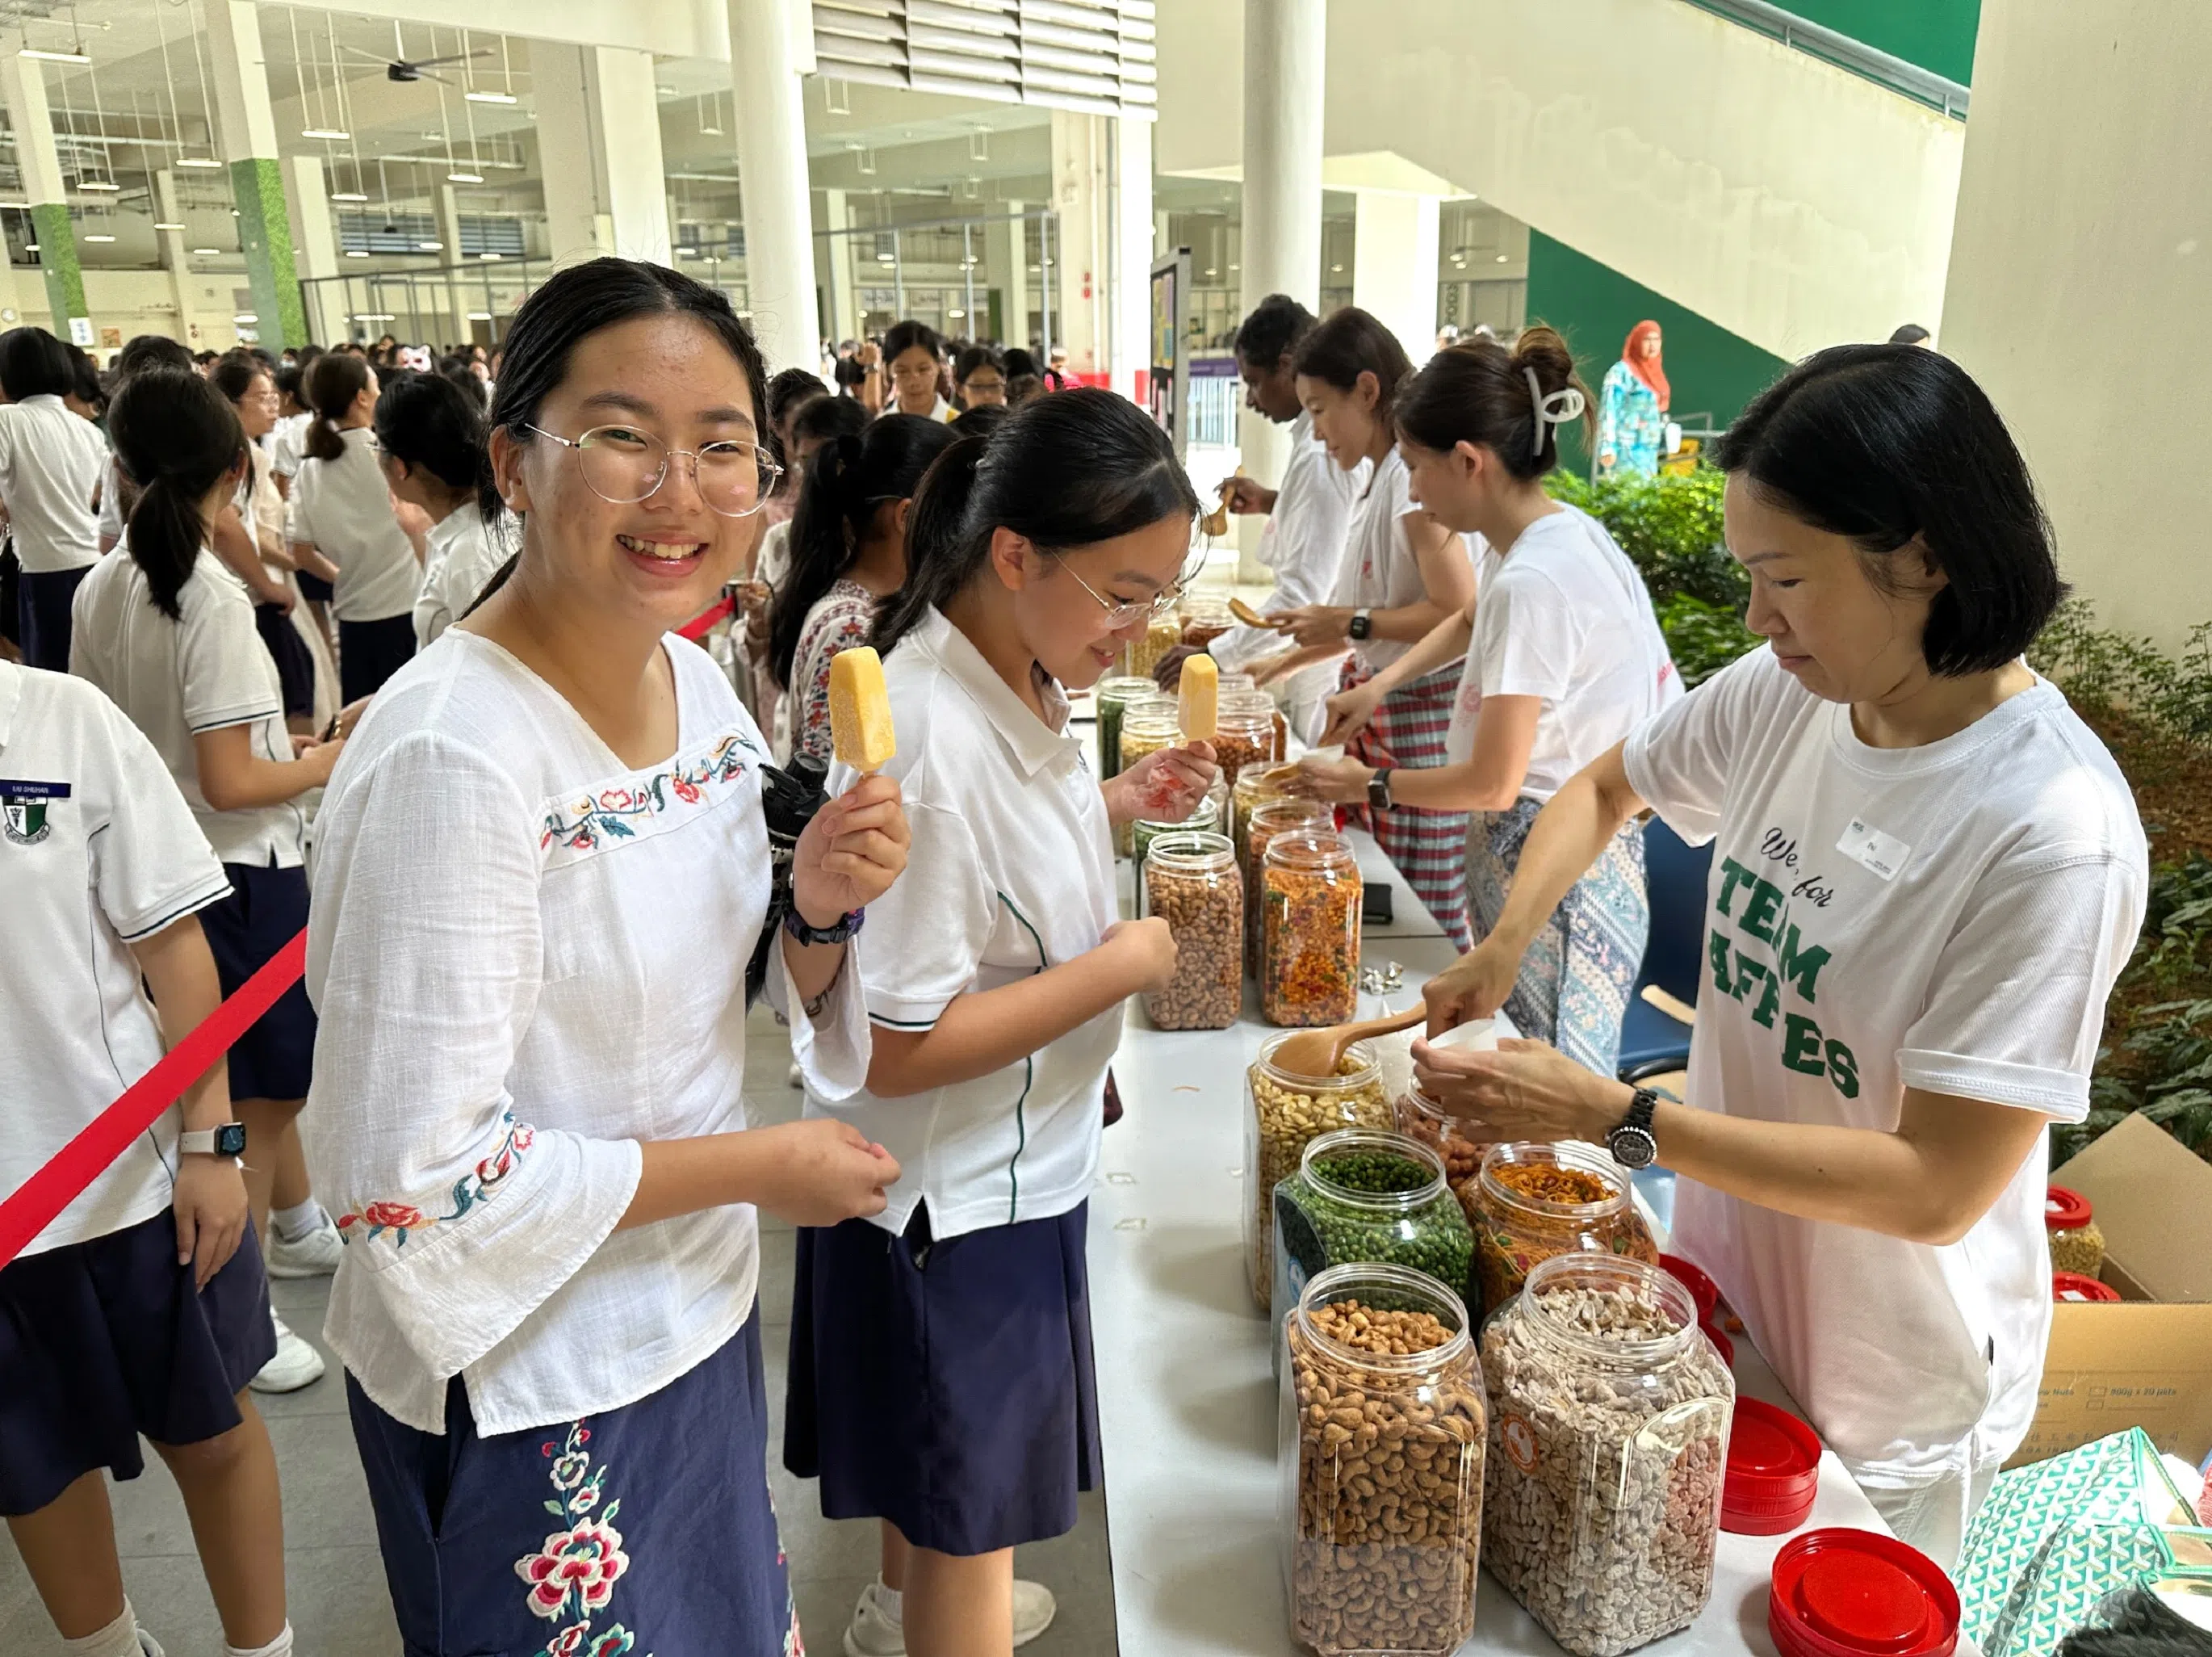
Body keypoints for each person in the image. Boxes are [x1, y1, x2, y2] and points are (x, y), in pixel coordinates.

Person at [1412, 343, 2148, 1569]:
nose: (1758, 618)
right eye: (1750, 577)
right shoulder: (1789, 692)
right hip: (1718, 1292)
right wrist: (1503, 944)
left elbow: (1933, 1186)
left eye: (1786, 579)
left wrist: (1621, 1118)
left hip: (1883, 1382)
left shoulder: (2051, 830)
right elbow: (1606, 786)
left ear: (1921, 556)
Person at [300, 258, 910, 1654]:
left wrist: (811, 905)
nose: (680, 493)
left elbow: (739, 969)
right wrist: (763, 1169)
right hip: (527, 1373)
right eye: (623, 438)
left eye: (723, 449)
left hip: (687, 1320)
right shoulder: (458, 755)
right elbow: (407, 1182)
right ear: (514, 461)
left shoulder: (695, 681)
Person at [787, 388, 1215, 1657]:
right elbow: (902, 1043)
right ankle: (931, 1610)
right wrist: (1123, 962)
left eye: (1159, 597)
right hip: (955, 1205)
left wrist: (1116, 801)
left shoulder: (1014, 666)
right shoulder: (928, 736)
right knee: (974, 1533)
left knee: (941, 1490)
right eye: (1123, 593)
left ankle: (897, 1601)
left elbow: (996, 898)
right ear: (1015, 552)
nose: (1138, 634)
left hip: (994, 1174)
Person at [0, 660, 296, 1657]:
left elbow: (173, 948)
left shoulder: (59, 721)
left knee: (211, 1435)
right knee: (31, 1461)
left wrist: (213, 1141)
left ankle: (264, 1650)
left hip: (129, 1183)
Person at [71, 367, 350, 1398]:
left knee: (245, 1088)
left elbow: (130, 750)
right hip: (244, 879)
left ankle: (297, 1224)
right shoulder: (212, 597)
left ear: (121, 469)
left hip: (153, 880)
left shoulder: (104, 585)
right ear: (236, 467)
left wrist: (301, 743)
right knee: (257, 1108)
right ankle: (253, 1310)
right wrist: (325, 760)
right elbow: (234, 781)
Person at [1301, 329, 1682, 1075]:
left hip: (1555, 878)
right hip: (1550, 860)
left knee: (1553, 1096)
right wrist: (1379, 685)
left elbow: (1493, 782)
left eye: (1415, 467)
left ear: (1468, 461)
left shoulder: (1533, 582)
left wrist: (1369, 783)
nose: (1411, 489)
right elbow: (1467, 619)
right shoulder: (1558, 538)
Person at [1259, 305, 1480, 950]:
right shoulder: (1384, 478)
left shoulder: (1414, 487)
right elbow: (1376, 626)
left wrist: (1346, 619)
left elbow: (1453, 609)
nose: (1318, 431)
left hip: (1418, 722)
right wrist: (1277, 666)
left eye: (1320, 408)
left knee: (1418, 920)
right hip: (1386, 708)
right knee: (1382, 897)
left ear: (1367, 389)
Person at [1200, 294, 1359, 741]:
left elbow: (1306, 595)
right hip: (1327, 656)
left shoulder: (1322, 453)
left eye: (1254, 382)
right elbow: (1335, 522)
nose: (1251, 400)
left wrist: (1220, 655)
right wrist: (1275, 501)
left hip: (1332, 669)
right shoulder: (1319, 449)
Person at [769, 413, 957, 764]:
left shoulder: (872, 606)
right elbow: (826, 776)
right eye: (956, 513)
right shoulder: (851, 628)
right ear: (906, 516)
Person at [210, 354, 340, 736]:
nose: (274, 405)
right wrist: (288, 568)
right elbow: (233, 524)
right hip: (259, 584)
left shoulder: (249, 450)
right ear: (230, 403)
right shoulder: (237, 455)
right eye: (261, 397)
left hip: (266, 577)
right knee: (294, 686)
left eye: (273, 396)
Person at [288, 353, 422, 701]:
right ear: (361, 397)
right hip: (404, 610)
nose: (379, 397)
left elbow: (301, 552)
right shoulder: (390, 457)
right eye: (376, 389)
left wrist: (345, 577)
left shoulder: (309, 470)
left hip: (352, 619)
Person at [743, 393, 871, 743]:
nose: (818, 478)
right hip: (793, 718)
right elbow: (755, 650)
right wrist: (758, 623)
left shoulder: (877, 543)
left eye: (830, 461)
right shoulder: (781, 542)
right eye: (805, 463)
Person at [371, 370, 511, 648]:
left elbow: (491, 667)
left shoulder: (471, 555)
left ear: (400, 467)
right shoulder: (461, 531)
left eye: (376, 445)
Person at [0, 326, 110, 669]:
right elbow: (97, 495)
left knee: (56, 681)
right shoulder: (86, 429)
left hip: (47, 573)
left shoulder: (8, 420)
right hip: (96, 565)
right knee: (95, 675)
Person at [1597, 319, 1669, 477]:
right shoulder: (1621, 372)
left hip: (1649, 451)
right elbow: (1609, 410)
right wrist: (1608, 447)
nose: (1652, 345)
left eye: (1656, 339)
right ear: (1637, 342)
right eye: (1647, 339)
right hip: (1625, 450)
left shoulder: (1655, 373)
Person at [883, 320, 952, 421]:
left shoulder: (958, 426)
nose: (914, 382)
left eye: (923, 370)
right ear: (888, 370)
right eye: (902, 371)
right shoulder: (880, 427)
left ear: (938, 367)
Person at [953, 344, 1008, 412]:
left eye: (994, 386)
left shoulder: (1017, 422)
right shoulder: (949, 420)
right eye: (977, 387)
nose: (987, 395)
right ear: (960, 389)